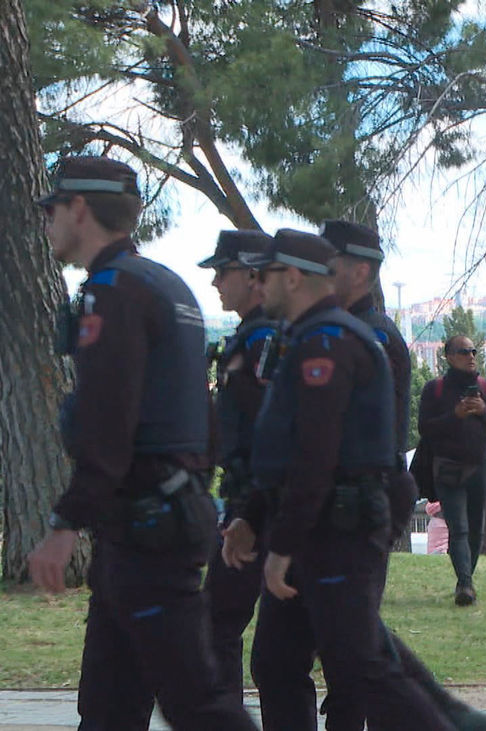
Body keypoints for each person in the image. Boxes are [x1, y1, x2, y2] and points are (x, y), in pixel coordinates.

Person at [25, 156, 258, 730]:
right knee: (108, 705)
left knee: (198, 703)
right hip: (153, 518)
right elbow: (204, 416)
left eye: (52, 209)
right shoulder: (165, 284)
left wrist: (63, 526)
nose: (48, 222)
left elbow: (108, 423)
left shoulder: (111, 293)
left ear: (79, 209)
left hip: (147, 527)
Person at [224, 229, 455, 729]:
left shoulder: (337, 340)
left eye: (264, 274)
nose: (255, 285)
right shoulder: (304, 336)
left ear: (291, 277)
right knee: (280, 661)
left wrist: (280, 542)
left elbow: (318, 453)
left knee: (360, 666)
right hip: (311, 520)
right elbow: (281, 449)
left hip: (341, 523)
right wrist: (253, 515)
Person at [198, 229, 278, 701]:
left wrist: (246, 509)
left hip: (256, 503)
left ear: (252, 274)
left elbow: (267, 430)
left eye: (221, 272)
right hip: (254, 498)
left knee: (219, 626)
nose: (215, 284)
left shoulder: (263, 337)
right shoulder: (254, 334)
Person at [320, 219, 418, 546]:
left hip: (359, 495)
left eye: (328, 265)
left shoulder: (375, 336)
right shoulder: (338, 327)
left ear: (360, 273)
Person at [416, 334, 486, 605]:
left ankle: (466, 578)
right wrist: (454, 415)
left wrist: (483, 410)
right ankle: (465, 584)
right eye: (463, 351)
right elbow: (425, 428)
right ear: (449, 356)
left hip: (479, 466)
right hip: (447, 467)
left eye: (473, 351)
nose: (471, 356)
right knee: (457, 527)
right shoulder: (434, 390)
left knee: (476, 528)